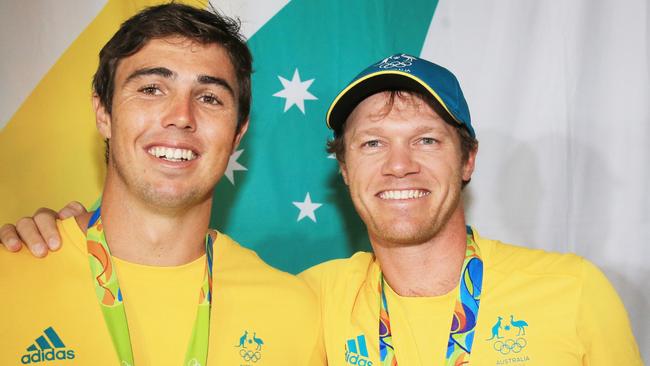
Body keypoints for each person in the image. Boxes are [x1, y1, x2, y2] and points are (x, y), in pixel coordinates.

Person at [2, 54, 643, 365]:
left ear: (468, 159)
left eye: (426, 139)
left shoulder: (575, 291)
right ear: (343, 168)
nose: (399, 166)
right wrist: (53, 234)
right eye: (371, 143)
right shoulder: (310, 302)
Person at [0, 4, 324, 366]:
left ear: (237, 134)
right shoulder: (8, 278)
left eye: (209, 97)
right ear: (103, 113)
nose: (181, 116)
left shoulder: (295, 314)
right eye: (152, 89)